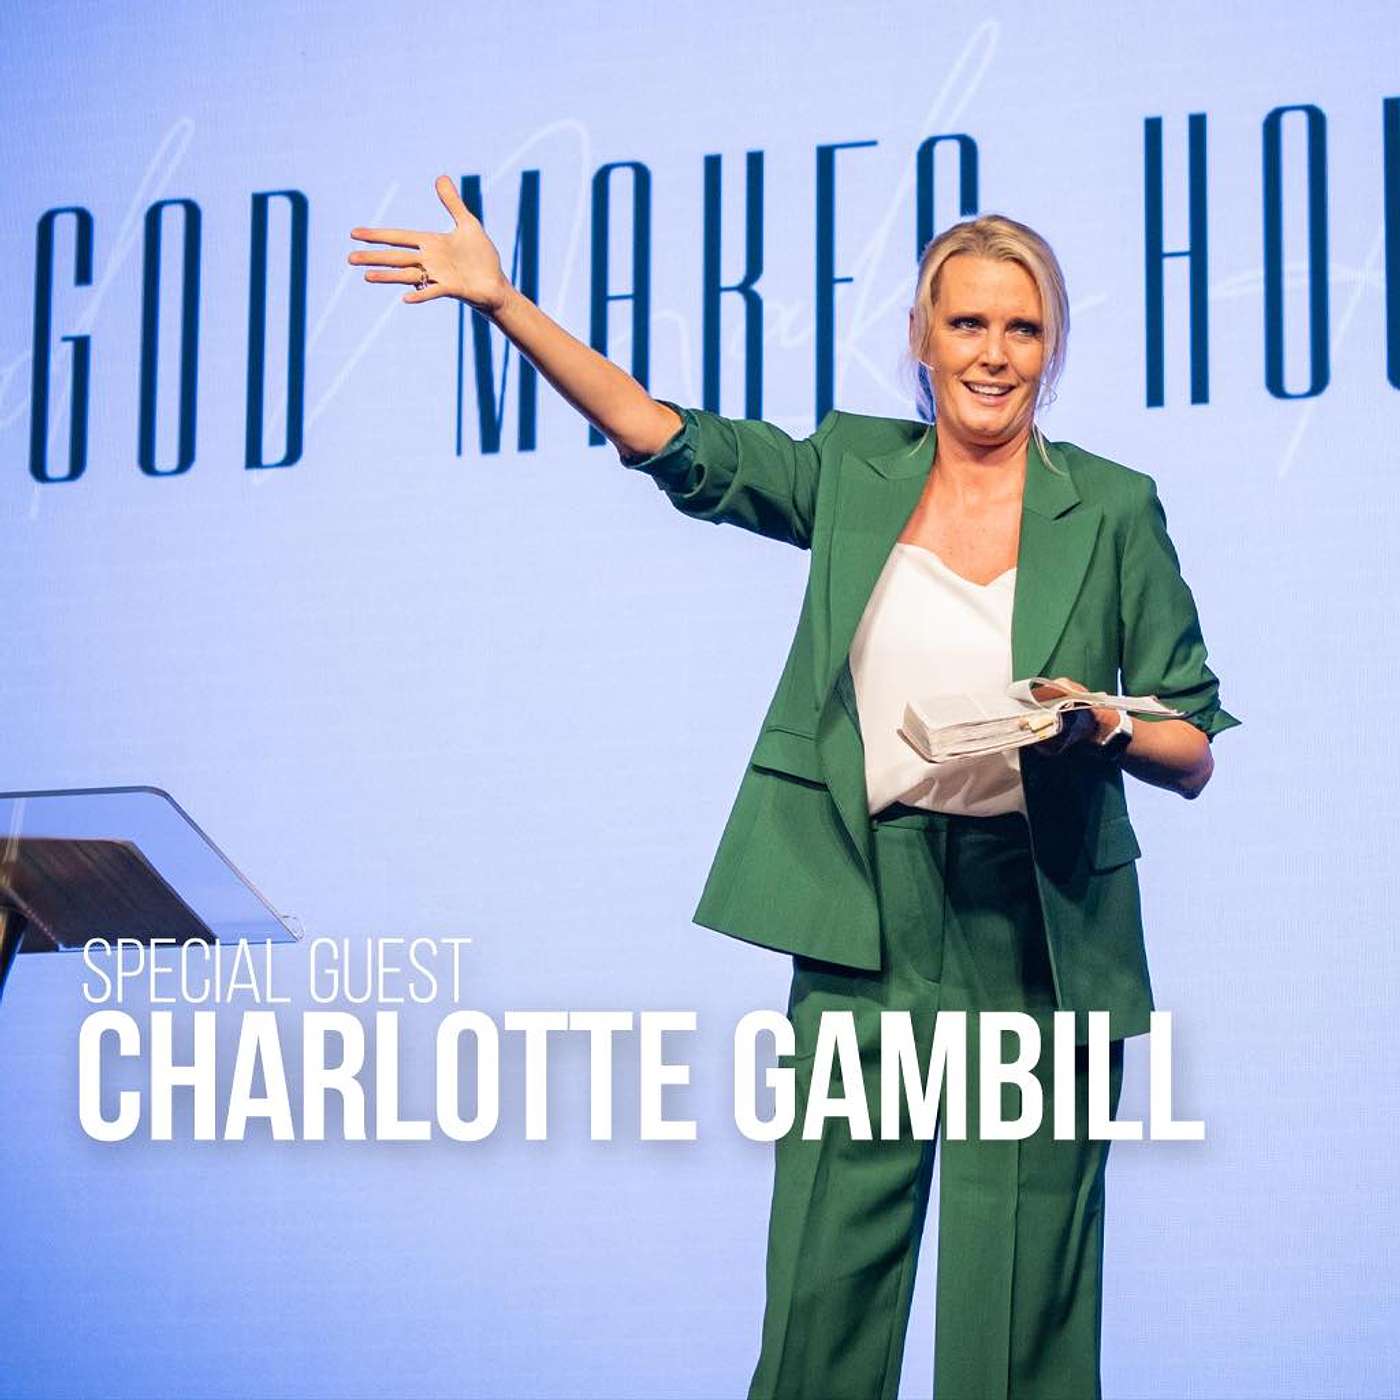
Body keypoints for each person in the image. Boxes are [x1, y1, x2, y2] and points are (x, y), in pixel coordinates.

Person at [349, 179, 1240, 1400]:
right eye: (966, 324)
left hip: (1038, 924)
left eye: (1020, 328)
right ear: (919, 338)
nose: (991, 353)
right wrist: (505, 304)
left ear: (1051, 347)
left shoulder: (1113, 505)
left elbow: (1190, 739)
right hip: (867, 913)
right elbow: (667, 438)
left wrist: (1104, 720)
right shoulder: (853, 472)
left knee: (1022, 1303)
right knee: (826, 1287)